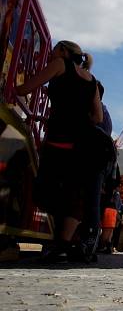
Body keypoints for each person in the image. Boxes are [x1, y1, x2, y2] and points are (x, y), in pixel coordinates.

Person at [16, 40, 103, 262]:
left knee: (48, 189)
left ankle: (57, 242)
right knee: (74, 194)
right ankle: (63, 245)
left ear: (63, 51)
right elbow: (98, 117)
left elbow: (25, 88)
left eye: (55, 48)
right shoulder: (91, 79)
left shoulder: (59, 64)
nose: (52, 52)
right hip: (82, 143)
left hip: (59, 138)